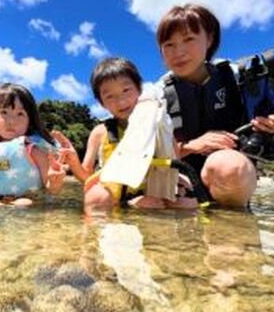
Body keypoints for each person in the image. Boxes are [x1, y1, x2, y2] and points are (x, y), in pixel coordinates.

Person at [155, 4, 274, 206]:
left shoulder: (237, 78)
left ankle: (234, 222)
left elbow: (260, 126)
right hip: (180, 180)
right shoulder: (156, 96)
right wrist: (191, 146)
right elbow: (144, 154)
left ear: (209, 39)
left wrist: (271, 127)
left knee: (228, 166)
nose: (178, 52)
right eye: (169, 44)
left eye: (189, 39)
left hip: (230, 173)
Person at [73, 58, 198, 210]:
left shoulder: (159, 124)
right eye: (109, 96)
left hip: (153, 188)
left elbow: (174, 161)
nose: (121, 101)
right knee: (95, 197)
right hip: (116, 193)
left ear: (139, 89)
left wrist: (180, 182)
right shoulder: (100, 132)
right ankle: (122, 209)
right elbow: (86, 176)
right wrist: (73, 160)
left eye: (126, 90)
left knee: (188, 200)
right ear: (101, 103)